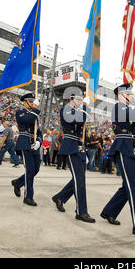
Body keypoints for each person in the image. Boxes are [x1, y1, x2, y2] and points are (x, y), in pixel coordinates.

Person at [101, 83, 135, 239]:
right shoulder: (119, 107)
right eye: (129, 94)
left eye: (132, 95)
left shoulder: (126, 108)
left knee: (128, 186)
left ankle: (109, 211)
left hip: (130, 148)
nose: (131, 97)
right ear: (121, 95)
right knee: (134, 188)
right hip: (124, 148)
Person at [51, 91, 96, 223]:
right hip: (70, 145)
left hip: (79, 147)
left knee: (79, 178)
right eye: (78, 99)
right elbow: (77, 119)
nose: (81, 101)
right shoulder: (66, 109)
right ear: (71, 99)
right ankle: (81, 212)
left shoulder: (78, 111)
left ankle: (60, 197)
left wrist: (85, 148)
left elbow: (83, 132)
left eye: (82, 99)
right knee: (79, 179)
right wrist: (86, 107)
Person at [10, 93, 42, 206]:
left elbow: (39, 131)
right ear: (25, 102)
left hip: (34, 144)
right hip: (24, 142)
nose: (33, 103)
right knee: (29, 170)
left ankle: (18, 182)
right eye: (30, 101)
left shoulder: (35, 114)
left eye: (33, 101)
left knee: (36, 169)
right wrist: (36, 110)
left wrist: (39, 140)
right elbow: (28, 120)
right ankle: (28, 197)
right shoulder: (20, 112)